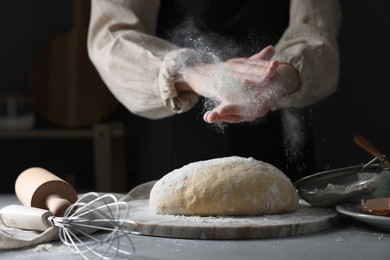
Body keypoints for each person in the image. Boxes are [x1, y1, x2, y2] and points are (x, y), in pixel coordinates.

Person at [87, 0, 341, 184]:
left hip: (282, 144)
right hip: (180, 146)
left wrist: (282, 76)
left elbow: (317, 32)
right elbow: (111, 39)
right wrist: (189, 71)